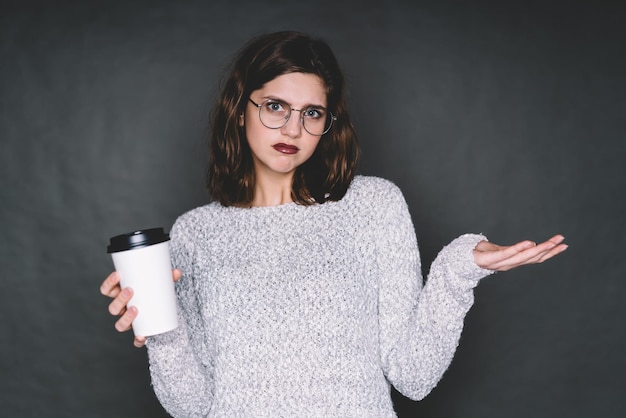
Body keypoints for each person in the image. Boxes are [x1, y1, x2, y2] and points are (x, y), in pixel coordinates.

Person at [100, 31, 567, 417]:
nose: (293, 130)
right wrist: (161, 331)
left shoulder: (373, 205)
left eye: (312, 113)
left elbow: (415, 376)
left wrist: (460, 269)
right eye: (275, 106)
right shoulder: (195, 233)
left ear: (328, 123)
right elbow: (191, 406)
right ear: (240, 108)